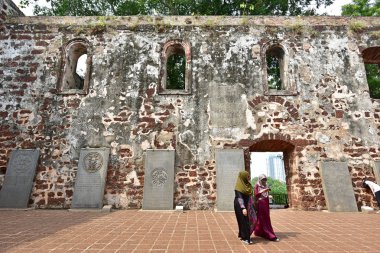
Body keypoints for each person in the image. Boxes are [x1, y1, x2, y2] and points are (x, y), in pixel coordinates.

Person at [254, 174, 279, 242]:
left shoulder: (266, 185)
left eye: (265, 179)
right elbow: (256, 194)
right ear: (260, 179)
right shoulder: (257, 185)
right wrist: (263, 191)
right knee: (263, 217)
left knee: (266, 217)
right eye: (263, 180)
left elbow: (266, 194)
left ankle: (260, 231)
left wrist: (268, 193)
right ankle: (269, 233)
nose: (264, 181)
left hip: (266, 202)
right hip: (261, 203)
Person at [234, 170, 256, 245]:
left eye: (249, 176)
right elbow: (239, 198)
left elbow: (250, 196)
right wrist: (243, 208)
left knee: (247, 220)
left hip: (248, 205)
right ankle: (246, 238)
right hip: (240, 205)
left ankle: (241, 234)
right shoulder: (238, 187)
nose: (249, 177)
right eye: (247, 176)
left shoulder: (248, 185)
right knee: (244, 221)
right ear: (243, 177)